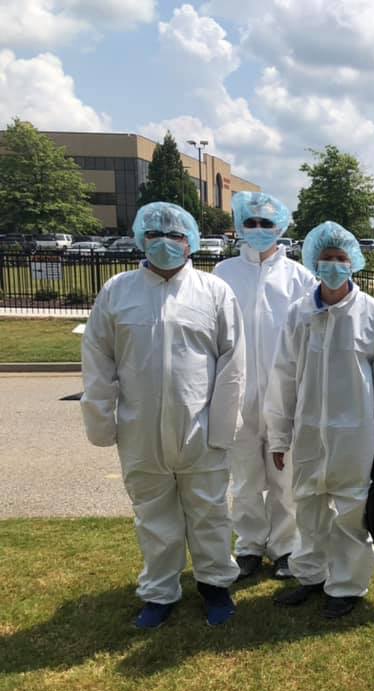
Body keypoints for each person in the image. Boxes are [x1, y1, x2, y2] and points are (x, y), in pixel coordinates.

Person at [80, 201, 246, 629]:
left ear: (190, 241)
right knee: (154, 518)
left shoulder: (213, 292)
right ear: (140, 239)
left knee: (210, 512)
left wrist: (223, 427)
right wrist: (102, 421)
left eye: (175, 235)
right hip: (140, 431)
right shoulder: (119, 291)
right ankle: (159, 592)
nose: (165, 243)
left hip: (200, 429)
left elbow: (233, 364)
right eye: (154, 234)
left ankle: (215, 586)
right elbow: (98, 360)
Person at [265, 221, 374, 618]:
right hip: (309, 433)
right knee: (308, 509)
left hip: (355, 437)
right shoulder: (300, 314)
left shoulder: (373, 316)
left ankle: (345, 586)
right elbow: (282, 378)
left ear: (353, 263)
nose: (332, 266)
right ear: (314, 262)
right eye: (326, 259)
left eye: (340, 259)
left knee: (350, 515)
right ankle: (310, 576)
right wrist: (278, 436)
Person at [213, 192, 315, 582]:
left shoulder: (299, 278)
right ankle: (250, 545)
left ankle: (287, 547)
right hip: (237, 394)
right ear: (239, 226)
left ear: (281, 227)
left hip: (283, 396)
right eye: (250, 223)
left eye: (266, 224)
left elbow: (308, 339)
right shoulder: (223, 274)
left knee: (285, 478)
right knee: (245, 478)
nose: (257, 231)